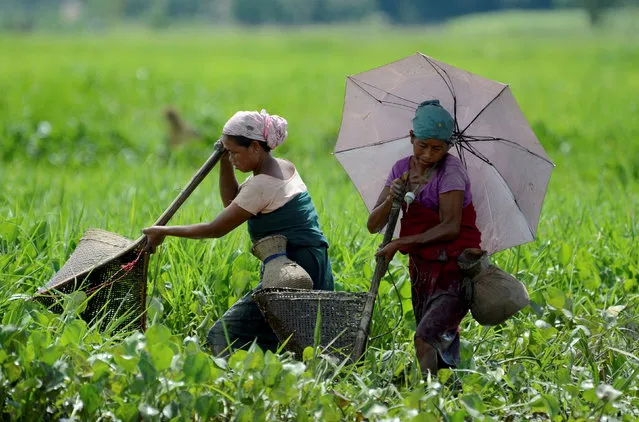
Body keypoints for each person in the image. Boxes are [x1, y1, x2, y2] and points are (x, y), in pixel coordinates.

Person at [143, 109, 334, 355]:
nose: (232, 158)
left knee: (225, 333)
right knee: (287, 337)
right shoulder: (282, 167)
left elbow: (215, 229)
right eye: (228, 152)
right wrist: (224, 160)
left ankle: (233, 380)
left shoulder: (261, 185)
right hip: (308, 265)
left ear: (255, 146)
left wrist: (164, 231)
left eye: (235, 153)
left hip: (293, 273)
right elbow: (233, 201)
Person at [366, 100, 482, 376]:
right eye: (422, 146)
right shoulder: (400, 170)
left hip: (453, 269)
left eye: (437, 148)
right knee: (439, 339)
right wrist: (391, 197)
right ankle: (446, 394)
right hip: (422, 269)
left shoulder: (450, 172)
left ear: (447, 146)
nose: (429, 154)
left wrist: (400, 243)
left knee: (426, 337)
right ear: (411, 138)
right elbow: (373, 224)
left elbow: (451, 227)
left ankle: (429, 399)